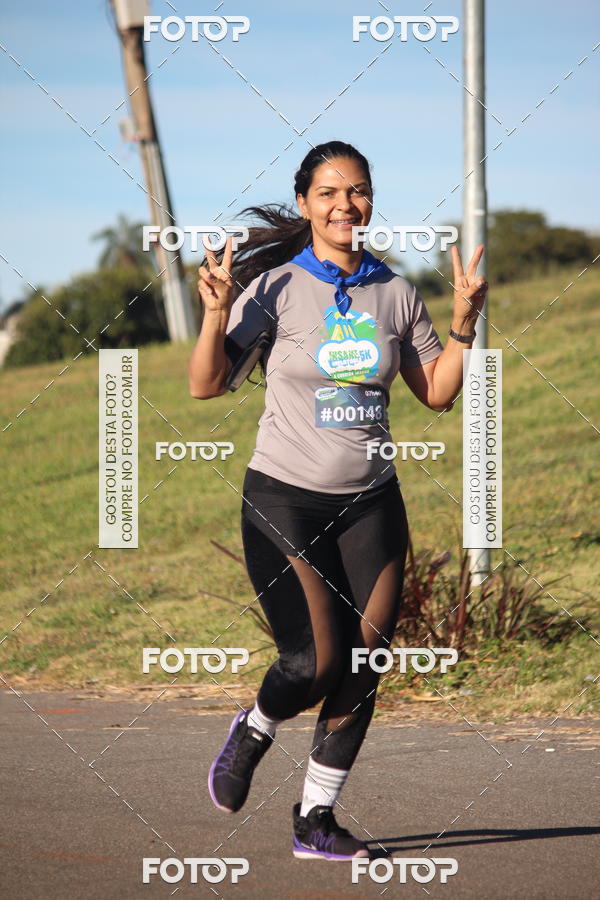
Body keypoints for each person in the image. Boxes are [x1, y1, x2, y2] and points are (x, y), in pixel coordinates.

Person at [188, 140, 488, 861]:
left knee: (366, 660)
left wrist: (465, 322)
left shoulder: (396, 291)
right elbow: (205, 385)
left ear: (370, 200)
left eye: (356, 191)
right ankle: (257, 726)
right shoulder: (276, 289)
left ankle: (315, 820)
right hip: (284, 499)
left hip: (371, 500)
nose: (344, 204)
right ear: (304, 204)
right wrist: (215, 313)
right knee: (312, 663)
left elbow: (437, 395)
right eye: (328, 192)